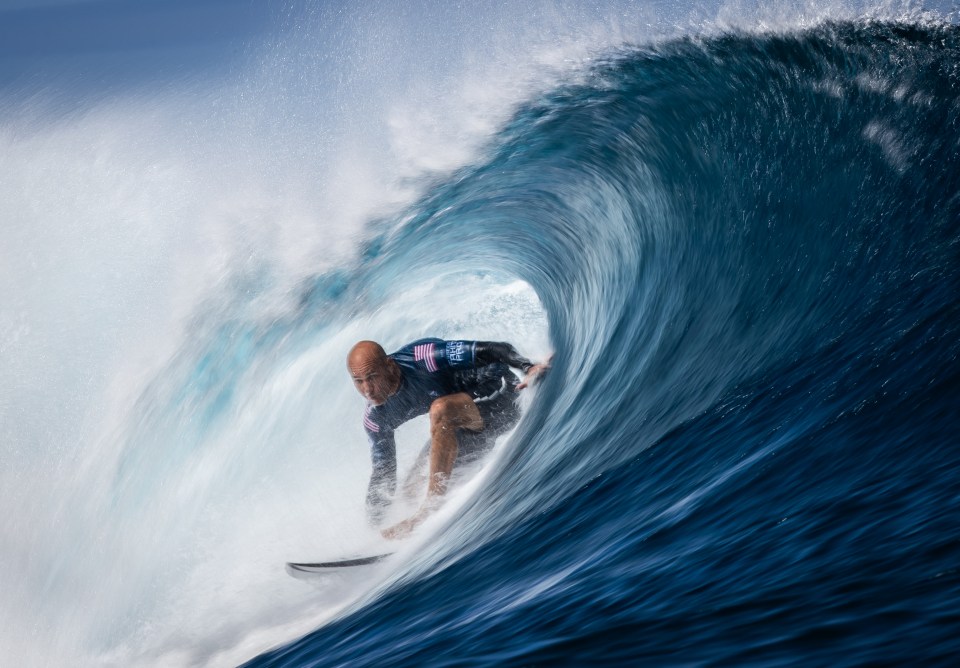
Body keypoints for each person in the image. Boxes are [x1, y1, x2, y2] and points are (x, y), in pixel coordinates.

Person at [347, 338, 550, 538]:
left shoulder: (423, 357)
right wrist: (372, 529)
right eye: (359, 381)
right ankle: (392, 533)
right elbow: (383, 472)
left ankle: (429, 511)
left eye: (372, 377)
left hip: (503, 400)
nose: (367, 389)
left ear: (390, 367)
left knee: (440, 410)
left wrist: (527, 366)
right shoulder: (376, 418)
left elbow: (492, 349)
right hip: (466, 429)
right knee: (409, 491)